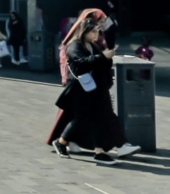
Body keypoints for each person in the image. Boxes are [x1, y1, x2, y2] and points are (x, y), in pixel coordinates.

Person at [48, 17, 124, 165]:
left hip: (93, 89)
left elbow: (99, 63)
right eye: (93, 31)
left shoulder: (92, 45)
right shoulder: (74, 46)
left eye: (97, 31)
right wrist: (102, 56)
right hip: (79, 89)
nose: (96, 34)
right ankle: (61, 142)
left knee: (97, 118)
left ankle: (99, 152)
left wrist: (107, 57)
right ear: (84, 31)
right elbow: (82, 64)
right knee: (81, 118)